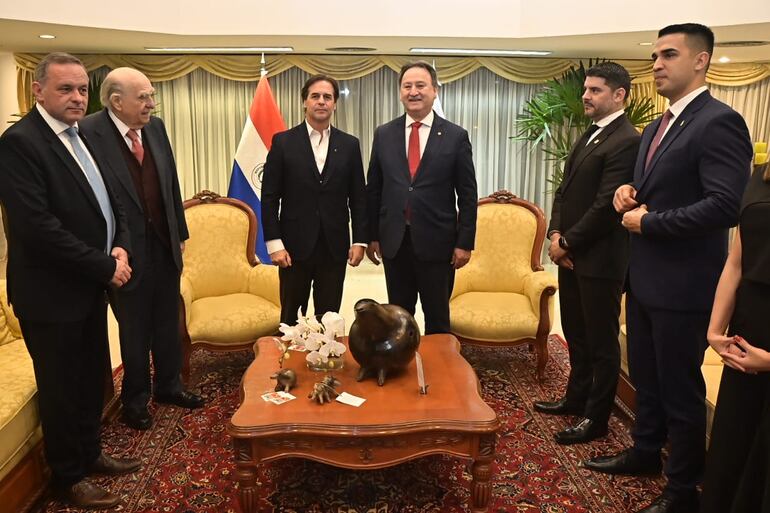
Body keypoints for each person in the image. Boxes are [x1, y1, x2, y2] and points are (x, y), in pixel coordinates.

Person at [583, 24, 753, 513]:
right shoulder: (658, 126)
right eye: (654, 55)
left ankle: (682, 490)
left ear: (701, 61)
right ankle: (643, 453)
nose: (656, 63)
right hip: (645, 279)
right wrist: (627, 194)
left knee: (680, 390)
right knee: (648, 380)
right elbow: (653, 189)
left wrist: (652, 222)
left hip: (685, 286)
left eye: (669, 55)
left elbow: (725, 205)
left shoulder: (719, 121)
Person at [0, 53, 141, 509]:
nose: (77, 97)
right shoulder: (20, 143)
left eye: (82, 89)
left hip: (87, 289)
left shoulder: (83, 137)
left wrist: (120, 243)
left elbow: (111, 199)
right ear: (37, 90)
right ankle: (69, 476)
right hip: (49, 296)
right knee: (60, 388)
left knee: (88, 379)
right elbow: (37, 228)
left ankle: (91, 453)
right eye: (66, 89)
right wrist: (104, 265)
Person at [80, 67, 203, 432]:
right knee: (134, 331)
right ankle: (134, 400)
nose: (152, 104)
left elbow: (169, 181)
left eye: (152, 95)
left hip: (165, 246)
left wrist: (179, 231)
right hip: (123, 252)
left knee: (167, 323)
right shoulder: (88, 133)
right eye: (144, 97)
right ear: (116, 102)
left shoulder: (157, 128)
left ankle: (169, 386)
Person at [534, 62, 640, 445]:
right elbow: (564, 192)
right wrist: (556, 232)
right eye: (586, 90)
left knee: (601, 343)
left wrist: (567, 243)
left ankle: (596, 419)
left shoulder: (628, 139)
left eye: (595, 90)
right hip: (572, 254)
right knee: (576, 334)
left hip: (600, 260)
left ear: (619, 95)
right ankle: (575, 399)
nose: (586, 96)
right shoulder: (590, 134)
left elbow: (605, 206)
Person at [365, 61, 477, 334]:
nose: (413, 92)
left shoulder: (455, 136)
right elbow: (374, 189)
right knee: (398, 317)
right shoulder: (384, 133)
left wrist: (464, 242)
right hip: (395, 241)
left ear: (435, 90)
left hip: (438, 243)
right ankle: (404, 368)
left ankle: (439, 373)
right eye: (407, 86)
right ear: (400, 92)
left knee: (437, 317)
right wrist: (371, 235)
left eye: (420, 85)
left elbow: (467, 194)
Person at [261, 74, 367, 325]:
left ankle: (325, 363)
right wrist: (274, 244)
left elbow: (358, 197)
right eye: (315, 96)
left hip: (334, 247)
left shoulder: (349, 145)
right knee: (290, 319)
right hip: (293, 248)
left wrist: (360, 240)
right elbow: (269, 197)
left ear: (335, 104)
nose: (321, 102)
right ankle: (288, 363)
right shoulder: (283, 142)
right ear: (304, 102)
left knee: (328, 320)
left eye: (327, 97)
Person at [699, 161, 770, 513]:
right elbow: (736, 263)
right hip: (749, 332)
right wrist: (715, 329)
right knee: (731, 449)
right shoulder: (761, 174)